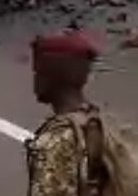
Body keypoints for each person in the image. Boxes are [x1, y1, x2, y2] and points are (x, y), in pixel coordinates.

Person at [27, 32, 107, 196]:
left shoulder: (55, 141)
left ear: (53, 75)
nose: (35, 80)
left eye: (38, 72)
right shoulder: (99, 122)